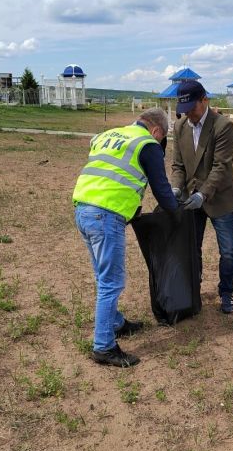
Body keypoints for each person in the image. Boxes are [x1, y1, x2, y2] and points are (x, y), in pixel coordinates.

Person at [73, 108, 177, 367]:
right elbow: (163, 191)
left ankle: (116, 322)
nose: (159, 144)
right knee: (111, 282)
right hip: (106, 216)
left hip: (83, 209)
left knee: (102, 275)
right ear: (156, 131)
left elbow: (111, 176)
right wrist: (177, 212)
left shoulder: (110, 135)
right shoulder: (147, 144)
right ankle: (104, 346)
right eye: (161, 139)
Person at [170, 80, 233, 314]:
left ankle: (226, 292)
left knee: (227, 250)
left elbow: (221, 167)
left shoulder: (222, 126)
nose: (189, 113)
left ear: (204, 100)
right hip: (192, 199)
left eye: (193, 107)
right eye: (184, 109)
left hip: (219, 198)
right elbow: (178, 165)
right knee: (192, 248)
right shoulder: (180, 128)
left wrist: (203, 194)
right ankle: (193, 291)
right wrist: (176, 188)